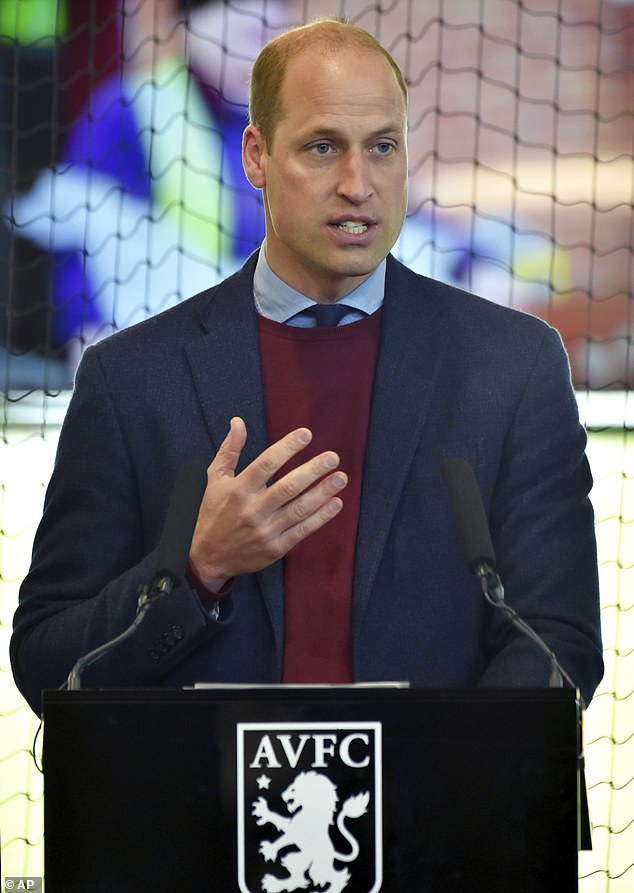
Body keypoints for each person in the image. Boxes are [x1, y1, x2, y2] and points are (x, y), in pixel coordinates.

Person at [11, 18, 603, 716]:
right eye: (323, 147)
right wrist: (197, 570)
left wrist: (439, 785)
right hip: (206, 819)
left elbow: (560, 639)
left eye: (382, 147)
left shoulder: (515, 366)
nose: (359, 183)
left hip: (437, 819)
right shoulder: (130, 379)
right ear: (256, 156)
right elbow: (48, 662)